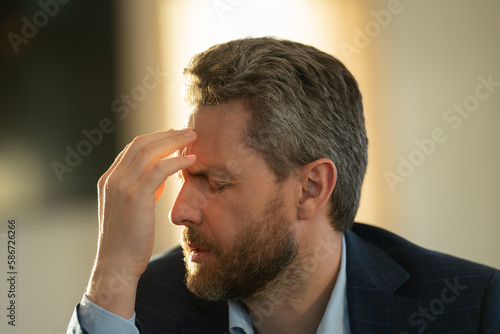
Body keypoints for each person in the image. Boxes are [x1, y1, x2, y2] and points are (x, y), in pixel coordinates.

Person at [67, 37, 499, 334]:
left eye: (215, 183)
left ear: (312, 188)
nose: (179, 211)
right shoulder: (135, 304)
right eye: (184, 177)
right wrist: (111, 276)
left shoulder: (471, 308)